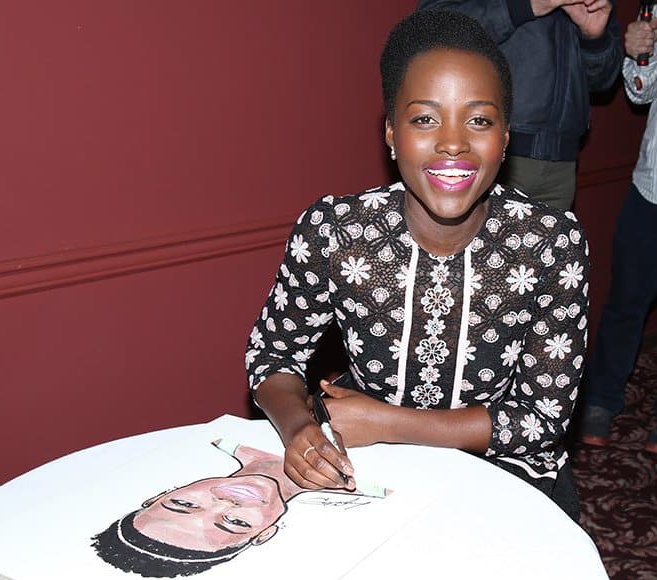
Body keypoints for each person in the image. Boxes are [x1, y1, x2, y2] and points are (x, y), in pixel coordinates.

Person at [246, 9, 589, 521]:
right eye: (425, 118)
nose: (453, 142)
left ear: (506, 136)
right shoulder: (336, 231)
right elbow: (272, 355)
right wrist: (300, 429)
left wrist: (389, 422)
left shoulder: (550, 244)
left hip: (505, 470)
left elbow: (542, 419)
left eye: (479, 120)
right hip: (366, 462)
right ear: (390, 132)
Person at [413, 0, 622, 211]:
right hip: (493, 153)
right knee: (478, 244)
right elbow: (431, 27)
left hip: (562, 163)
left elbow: (604, 80)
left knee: (553, 243)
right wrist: (525, 6)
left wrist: (594, 39)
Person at [92, 439, 381, 577]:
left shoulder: (221, 440)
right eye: (233, 522)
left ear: (160, 494)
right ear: (264, 533)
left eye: (184, 504)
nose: (224, 503)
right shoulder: (369, 489)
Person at [579, 9, 657, 453]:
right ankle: (602, 400)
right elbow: (640, 93)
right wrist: (639, 54)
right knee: (626, 303)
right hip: (651, 186)